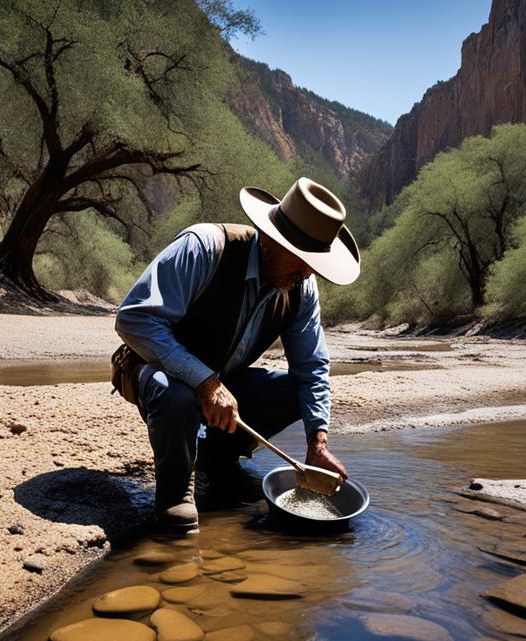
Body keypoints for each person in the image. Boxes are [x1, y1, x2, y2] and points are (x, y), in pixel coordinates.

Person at [114, 177, 360, 534]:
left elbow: (312, 368)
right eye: (304, 261)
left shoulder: (300, 286)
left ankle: (215, 457)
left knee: (299, 394)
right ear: (274, 240)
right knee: (177, 394)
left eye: (315, 264)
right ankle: (174, 494)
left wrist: (317, 442)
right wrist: (205, 380)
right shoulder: (203, 247)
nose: (308, 273)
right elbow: (133, 319)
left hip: (222, 379)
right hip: (152, 368)